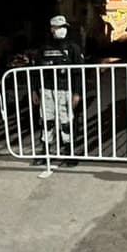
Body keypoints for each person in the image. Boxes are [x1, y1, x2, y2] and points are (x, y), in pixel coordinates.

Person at [32, 15, 85, 168]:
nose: (61, 30)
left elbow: (79, 72)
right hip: (47, 89)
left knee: (66, 122)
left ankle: (69, 153)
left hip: (65, 89)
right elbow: (35, 71)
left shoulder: (73, 47)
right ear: (52, 29)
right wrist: (35, 90)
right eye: (58, 27)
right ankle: (45, 152)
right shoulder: (44, 48)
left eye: (63, 27)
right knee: (46, 122)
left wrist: (77, 93)